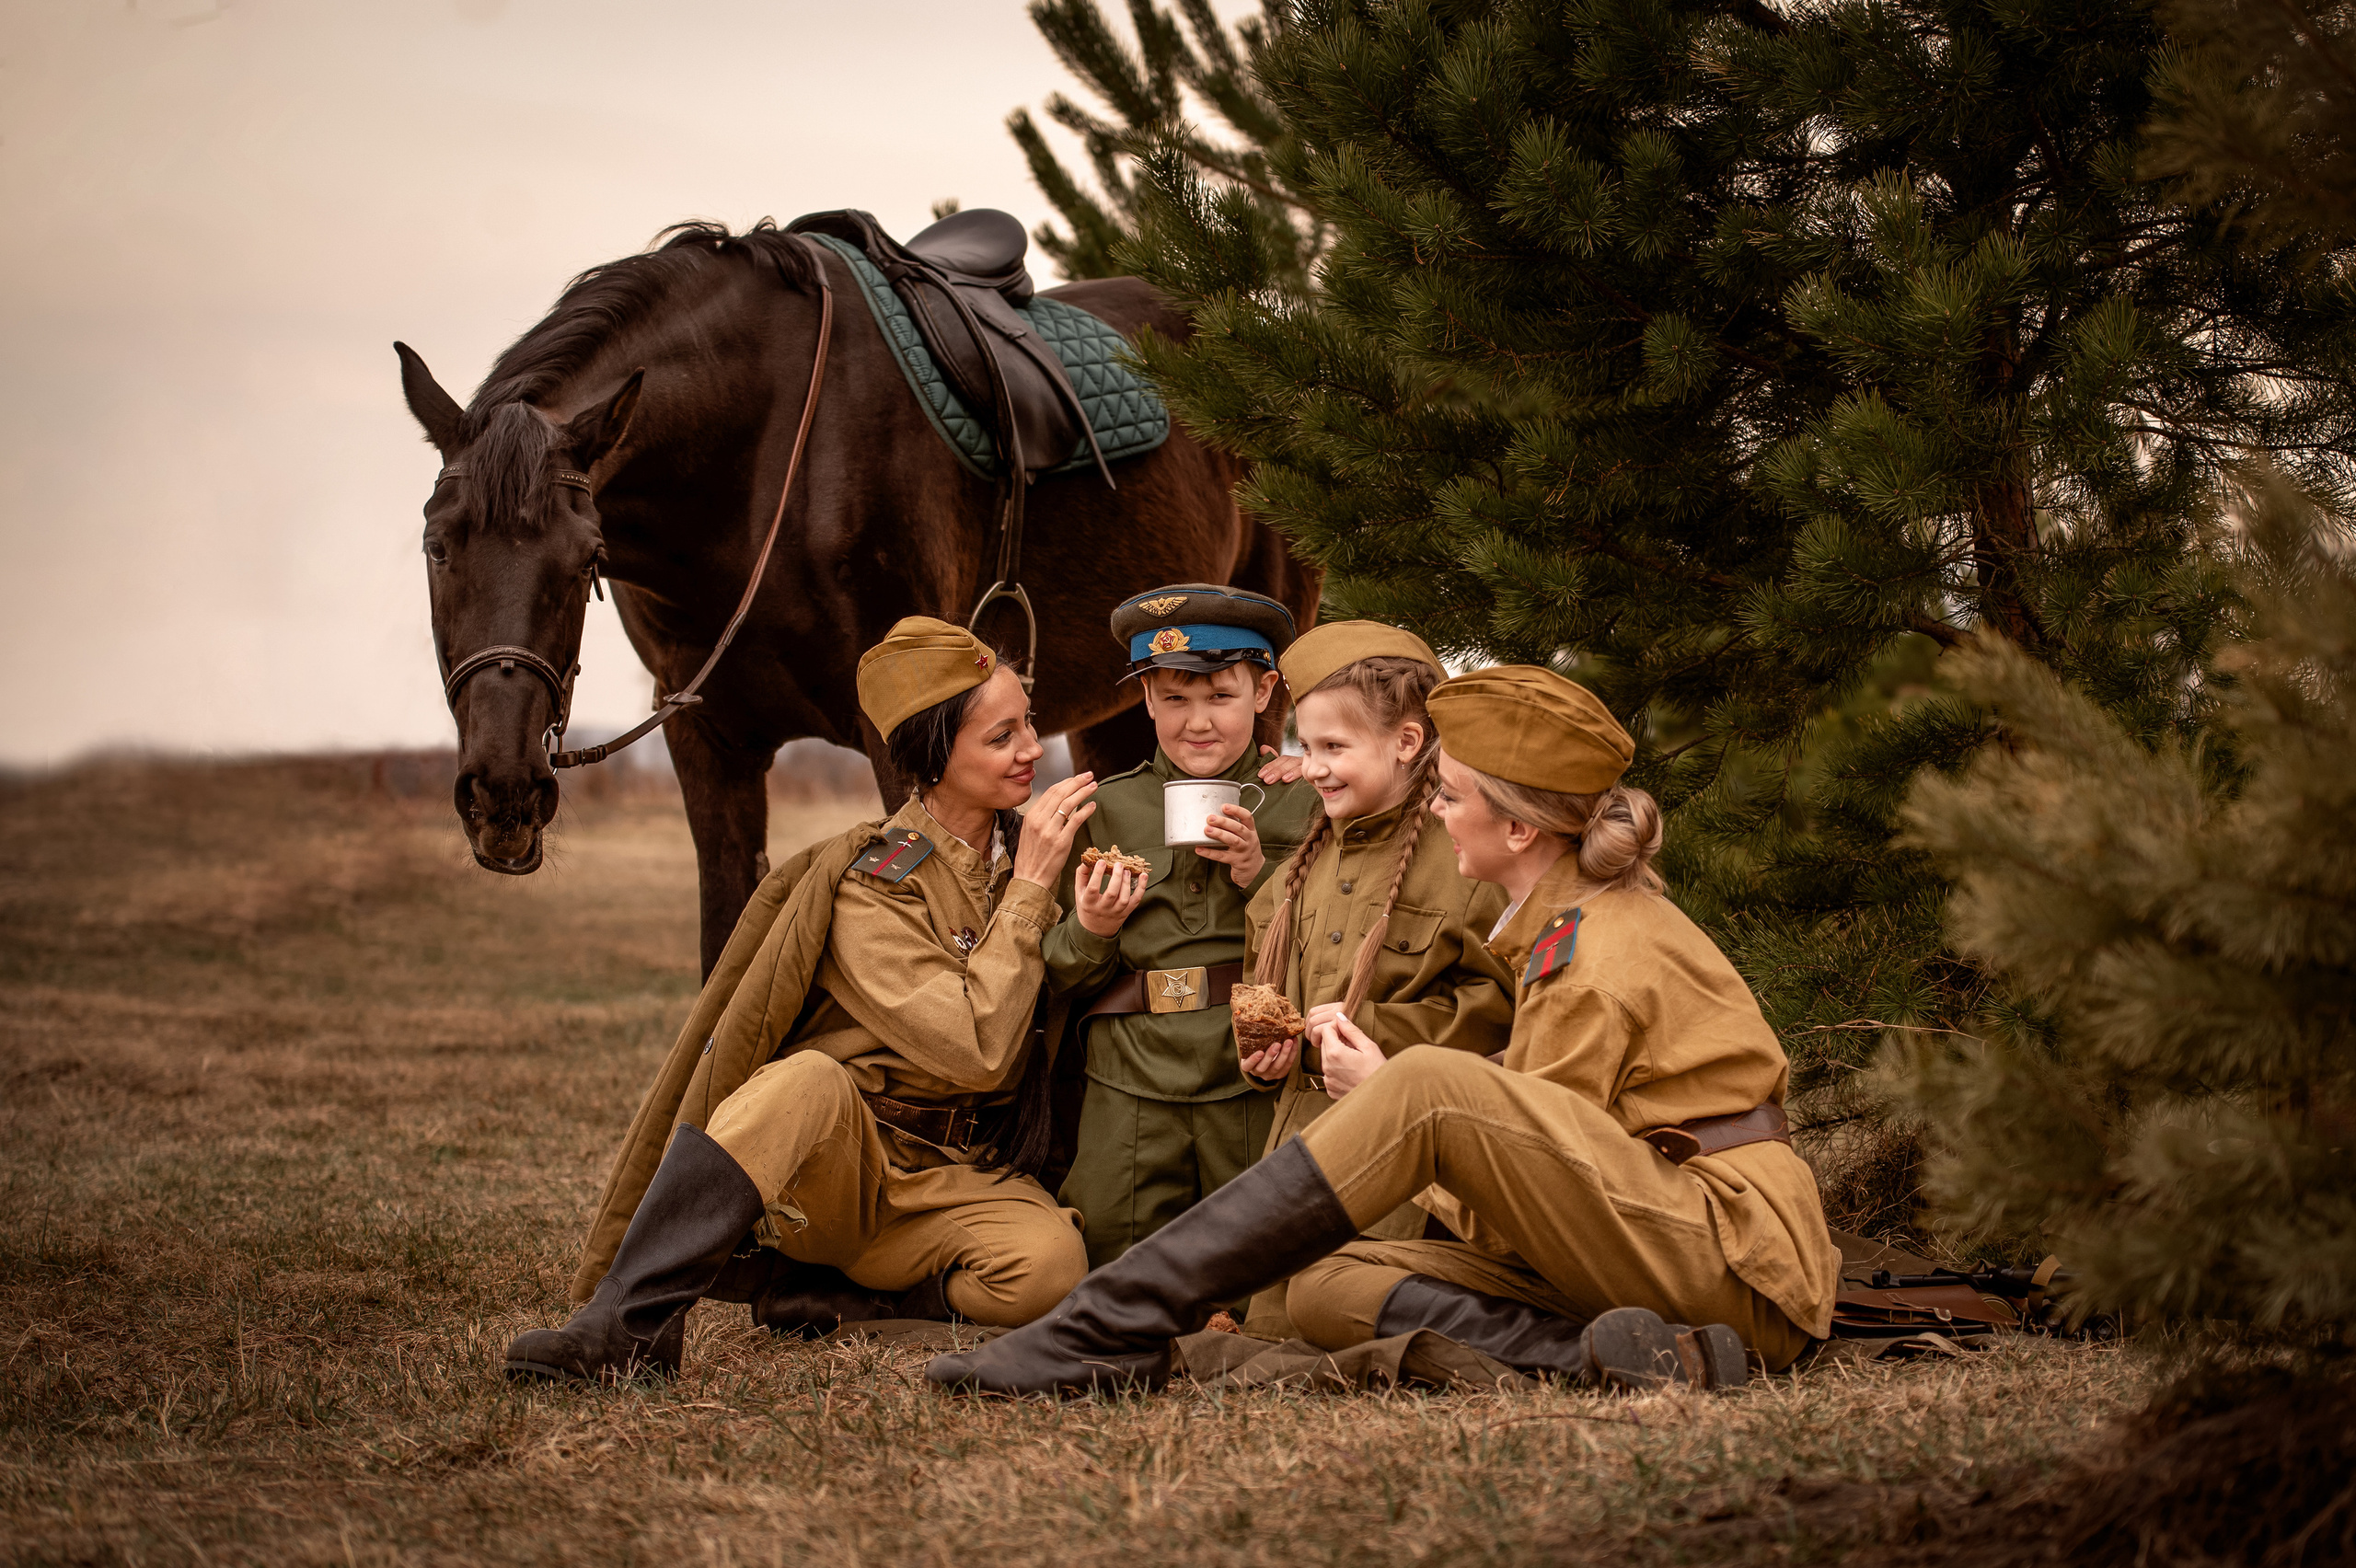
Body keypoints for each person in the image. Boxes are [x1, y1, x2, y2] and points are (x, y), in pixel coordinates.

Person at [925, 663, 1843, 1397]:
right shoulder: (1568, 924)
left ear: (1519, 830)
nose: (1436, 815)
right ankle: (1611, 1358)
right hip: (1663, 1257)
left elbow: (1531, 1199)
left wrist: (1390, 1105)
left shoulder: (1587, 954)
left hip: (1730, 1261)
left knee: (1424, 1083)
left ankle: (1104, 1327)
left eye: (1450, 797)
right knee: (1327, 1284)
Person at [504, 617, 1097, 1383]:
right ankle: (629, 1324)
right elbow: (974, 1049)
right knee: (807, 1079)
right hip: (843, 1170)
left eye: (1030, 724)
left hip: (958, 1172)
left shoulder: (1031, 849)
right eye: (1001, 736)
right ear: (934, 754)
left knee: (1053, 1268)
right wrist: (1029, 895)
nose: (1032, 751)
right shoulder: (875, 882)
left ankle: (840, 1301)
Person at [1233, 620, 1516, 1338]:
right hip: (1298, 1157)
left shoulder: (1465, 864)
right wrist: (1267, 1056)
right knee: (1277, 1331)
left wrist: (1367, 1037)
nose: (1315, 768)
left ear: (1408, 742)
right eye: (1307, 746)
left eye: (1335, 748)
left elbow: (1499, 1008)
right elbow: (1262, 983)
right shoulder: (1301, 869)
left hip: (1413, 1169)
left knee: (1355, 1317)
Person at [1043, 584, 1319, 1269]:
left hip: (1253, 1070)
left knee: (1266, 1274)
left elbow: (1343, 939)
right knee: (1102, 1269)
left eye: (1221, 696)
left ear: (1265, 693)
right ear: (1145, 701)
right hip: (1130, 1075)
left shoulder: (1309, 801)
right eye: (1174, 699)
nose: (1197, 722)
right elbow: (1055, 968)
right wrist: (1092, 928)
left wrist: (1261, 872)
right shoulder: (1104, 810)